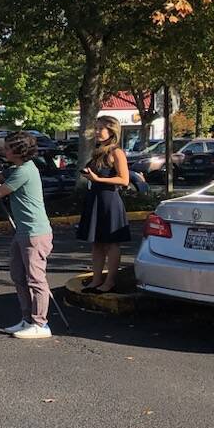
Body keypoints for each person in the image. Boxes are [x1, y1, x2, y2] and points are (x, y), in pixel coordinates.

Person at [0, 131, 53, 339]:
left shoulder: (24, 171)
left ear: (18, 151)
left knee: (36, 279)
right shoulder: (18, 169)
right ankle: (27, 320)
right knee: (18, 275)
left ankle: (40, 324)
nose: (3, 150)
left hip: (34, 233)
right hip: (23, 231)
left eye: (7, 148)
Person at [77, 115, 132, 294]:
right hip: (95, 198)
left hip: (109, 200)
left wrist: (98, 178)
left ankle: (110, 282)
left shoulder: (116, 152)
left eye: (101, 128)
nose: (97, 132)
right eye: (97, 128)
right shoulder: (98, 151)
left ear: (111, 131)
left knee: (111, 243)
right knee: (97, 243)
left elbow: (124, 180)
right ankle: (96, 279)